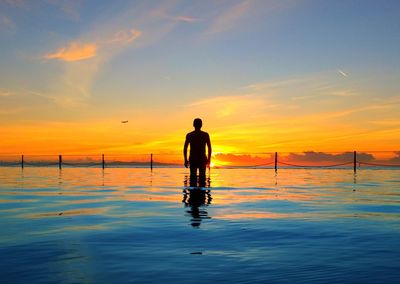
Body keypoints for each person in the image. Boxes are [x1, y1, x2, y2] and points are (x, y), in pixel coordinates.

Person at [183, 118, 212, 186]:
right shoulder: (205, 135)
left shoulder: (189, 135)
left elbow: (185, 148)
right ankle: (202, 194)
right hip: (201, 159)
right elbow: (209, 148)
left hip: (194, 159)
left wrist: (185, 160)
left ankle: (193, 194)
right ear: (201, 125)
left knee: (193, 178)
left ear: (193, 125)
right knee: (202, 178)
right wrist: (209, 159)